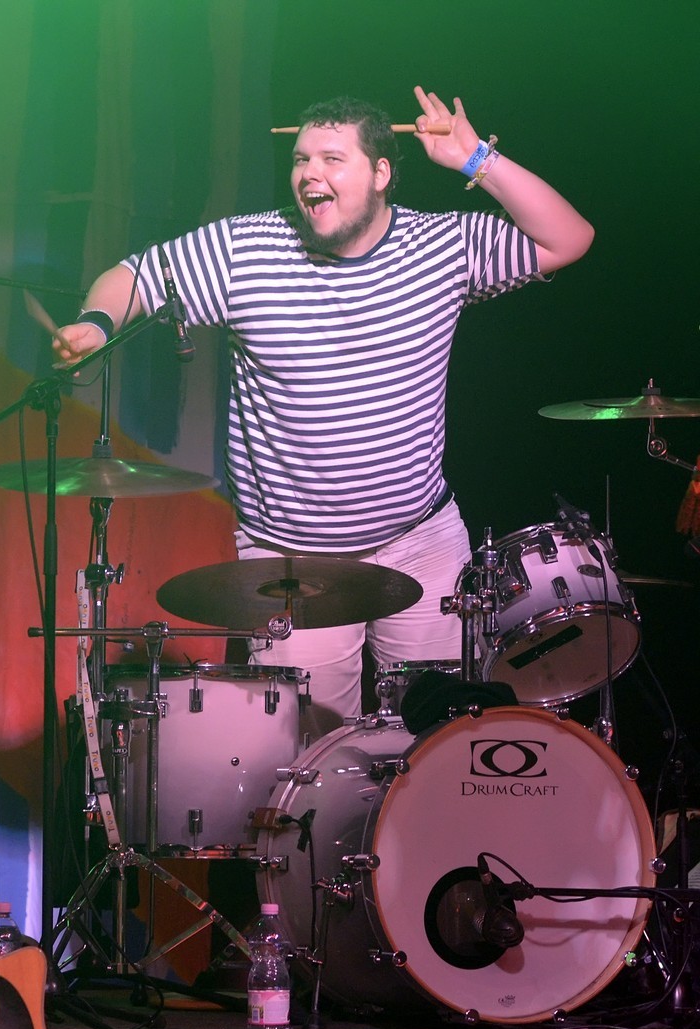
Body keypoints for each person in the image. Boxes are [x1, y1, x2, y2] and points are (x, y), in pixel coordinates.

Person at [53, 85, 594, 740]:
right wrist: (96, 322)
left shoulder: (441, 247)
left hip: (418, 542)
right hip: (290, 562)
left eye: (333, 159)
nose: (311, 173)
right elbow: (135, 277)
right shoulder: (246, 250)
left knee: (437, 744)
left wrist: (476, 158)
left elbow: (569, 237)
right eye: (302, 160)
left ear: (381, 173)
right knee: (308, 765)